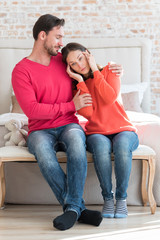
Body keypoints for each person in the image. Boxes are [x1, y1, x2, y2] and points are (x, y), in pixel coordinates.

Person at [11, 14, 103, 231]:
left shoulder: (63, 61)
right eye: (58, 37)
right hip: (40, 129)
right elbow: (32, 110)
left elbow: (88, 72)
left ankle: (71, 210)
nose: (62, 42)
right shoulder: (21, 70)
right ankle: (77, 208)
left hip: (68, 124)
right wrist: (72, 105)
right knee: (43, 151)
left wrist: (111, 69)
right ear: (43, 35)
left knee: (77, 143)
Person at [62, 42, 139, 218]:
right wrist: (81, 82)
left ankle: (121, 199)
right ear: (69, 68)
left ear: (88, 54)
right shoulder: (76, 89)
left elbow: (109, 98)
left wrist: (95, 71)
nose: (79, 65)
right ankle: (107, 198)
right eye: (73, 63)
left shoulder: (110, 70)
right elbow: (89, 113)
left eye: (80, 58)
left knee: (122, 146)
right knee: (101, 148)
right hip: (96, 131)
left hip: (123, 128)